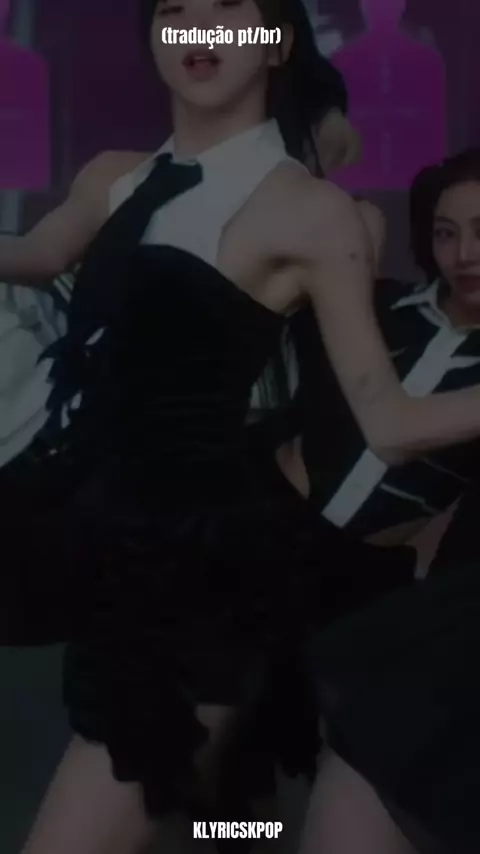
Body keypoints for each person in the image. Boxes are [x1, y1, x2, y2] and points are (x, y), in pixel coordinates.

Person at [3, 3, 480, 854]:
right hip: (100, 540)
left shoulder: (312, 214)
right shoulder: (111, 177)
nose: (199, 31)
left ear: (276, 40)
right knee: (211, 820)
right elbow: (35, 254)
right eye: (175, 12)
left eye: (228, 10)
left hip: (194, 576)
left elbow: (390, 421)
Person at [293, 148, 480, 853]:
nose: (465, 255)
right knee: (222, 767)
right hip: (270, 545)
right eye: (445, 232)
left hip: (380, 587)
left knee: (353, 765)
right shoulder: (374, 307)